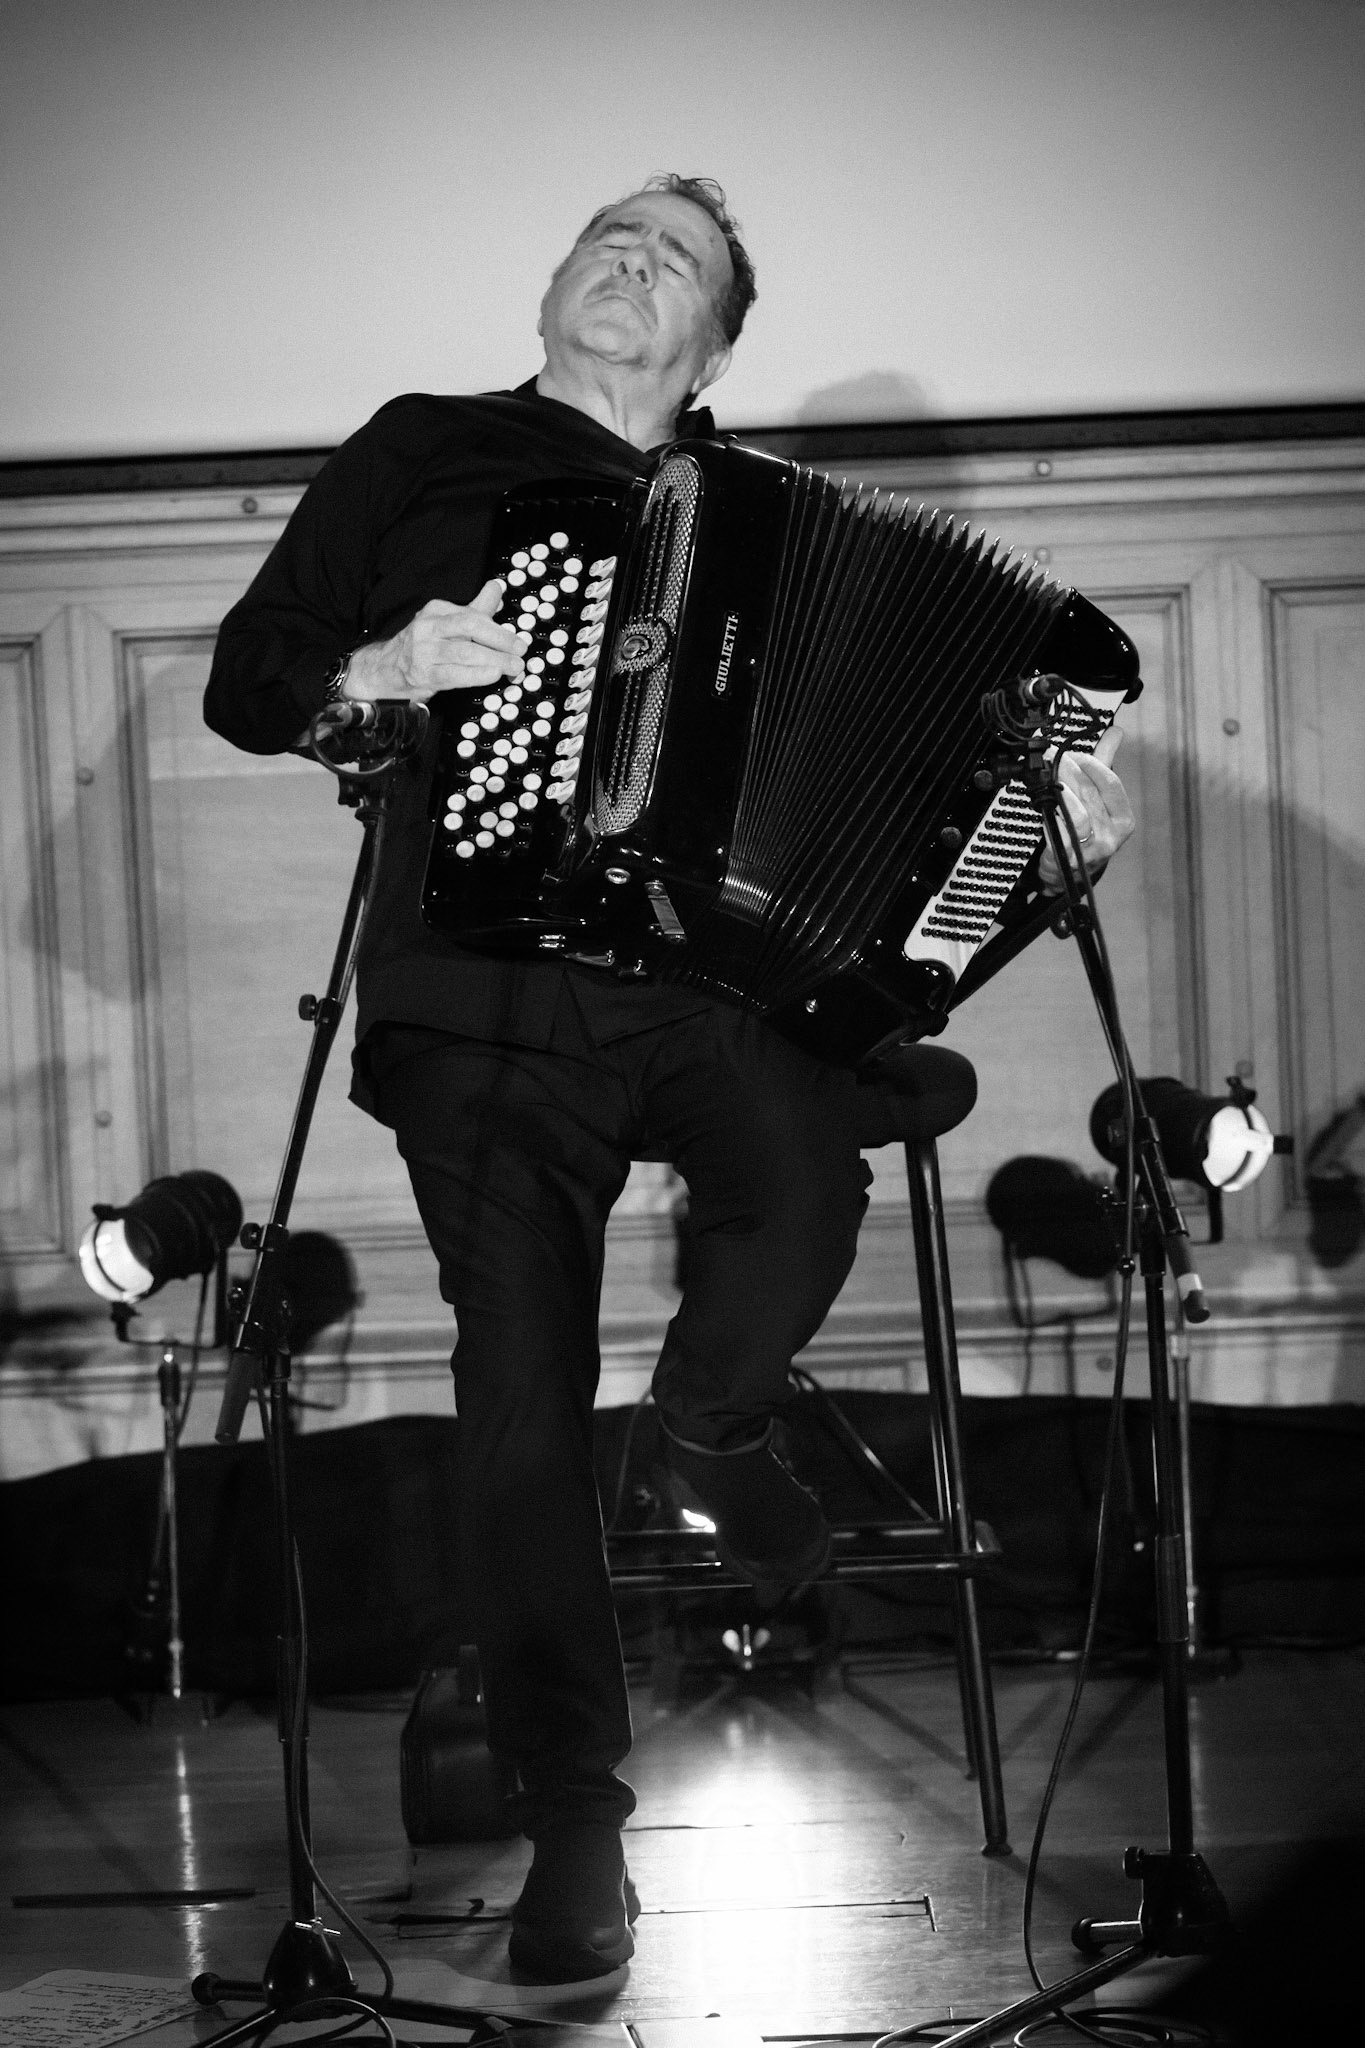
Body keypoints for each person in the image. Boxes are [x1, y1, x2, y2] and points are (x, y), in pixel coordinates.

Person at [204, 174, 1134, 1981]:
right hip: (478, 986)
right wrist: (380, 671)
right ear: (552, 284)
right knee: (520, 1398)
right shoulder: (427, 446)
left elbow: (930, 837)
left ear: (714, 339)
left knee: (804, 1186)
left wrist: (1043, 833)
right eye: (604, 239)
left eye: (674, 261)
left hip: (709, 993)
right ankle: (576, 1830)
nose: (627, 264)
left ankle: (708, 1427)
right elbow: (254, 676)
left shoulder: (773, 525)